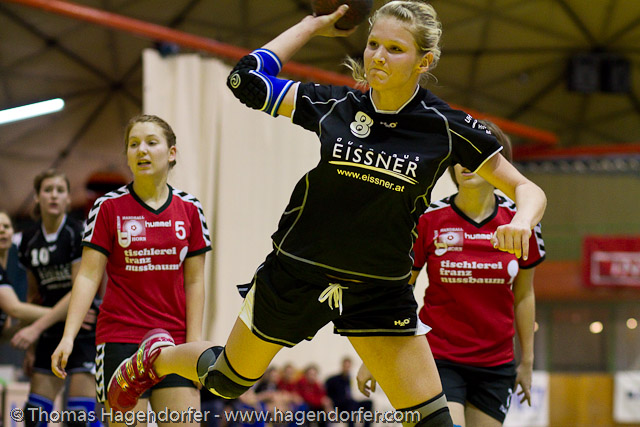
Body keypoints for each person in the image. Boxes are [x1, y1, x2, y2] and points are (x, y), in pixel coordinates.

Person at [57, 3, 546, 427]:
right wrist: (313, 25)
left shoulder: (446, 127)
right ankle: (157, 357)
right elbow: (245, 80)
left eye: (395, 49)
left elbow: (527, 189)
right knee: (227, 379)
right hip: (297, 273)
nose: (377, 56)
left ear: (425, 61)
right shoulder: (336, 106)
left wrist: (521, 222)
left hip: (378, 290)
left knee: (434, 421)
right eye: (373, 44)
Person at [50, 114, 212, 423]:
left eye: (151, 142)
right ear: (127, 155)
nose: (142, 150)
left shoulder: (190, 208)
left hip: (175, 341)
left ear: (172, 153)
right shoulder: (107, 207)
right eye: (134, 144)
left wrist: (193, 345)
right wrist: (68, 336)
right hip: (120, 338)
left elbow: (195, 281)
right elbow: (88, 276)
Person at [408, 121, 544, 427]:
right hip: (438, 358)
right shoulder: (428, 219)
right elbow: (403, 289)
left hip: (496, 365)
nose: (465, 162)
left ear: (500, 165)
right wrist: (381, 354)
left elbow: (524, 295)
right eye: (459, 155)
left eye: (477, 153)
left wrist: (527, 362)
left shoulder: (521, 221)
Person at [11, 170, 98, 427]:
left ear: (68, 199)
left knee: (79, 419)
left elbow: (79, 291)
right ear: (37, 197)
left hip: (82, 329)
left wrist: (35, 328)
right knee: (34, 416)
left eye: (60, 191)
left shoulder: (77, 232)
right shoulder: (28, 240)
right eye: (47, 190)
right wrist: (32, 348)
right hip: (50, 331)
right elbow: (33, 296)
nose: (54, 195)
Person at [325, 358, 372, 427]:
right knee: (351, 404)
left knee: (368, 403)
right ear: (342, 366)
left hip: (350, 403)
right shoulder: (333, 380)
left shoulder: (348, 379)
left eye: (348, 366)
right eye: (345, 366)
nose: (347, 368)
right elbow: (327, 396)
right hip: (339, 405)